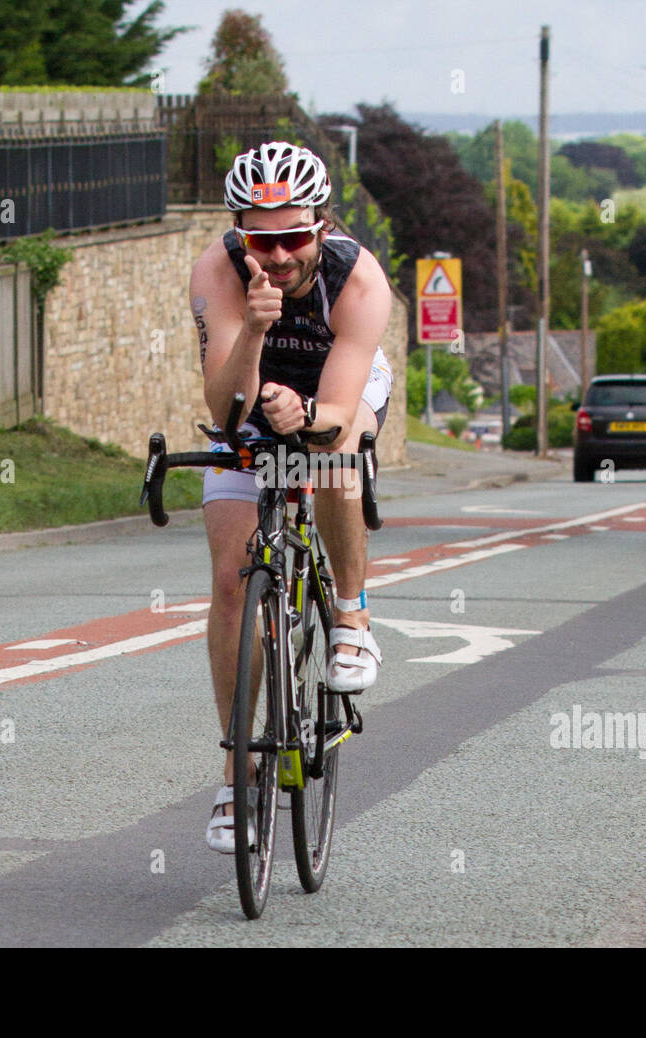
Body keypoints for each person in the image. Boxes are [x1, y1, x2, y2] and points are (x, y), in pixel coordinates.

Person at [189, 141, 393, 853]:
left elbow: (336, 412)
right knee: (230, 581)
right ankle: (238, 773)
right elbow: (223, 404)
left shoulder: (358, 281)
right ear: (240, 234)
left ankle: (350, 616)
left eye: (294, 238)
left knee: (335, 455)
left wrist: (304, 421)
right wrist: (252, 326)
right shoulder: (218, 272)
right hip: (254, 393)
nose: (278, 256)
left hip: (337, 392)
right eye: (260, 240)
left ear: (322, 226)